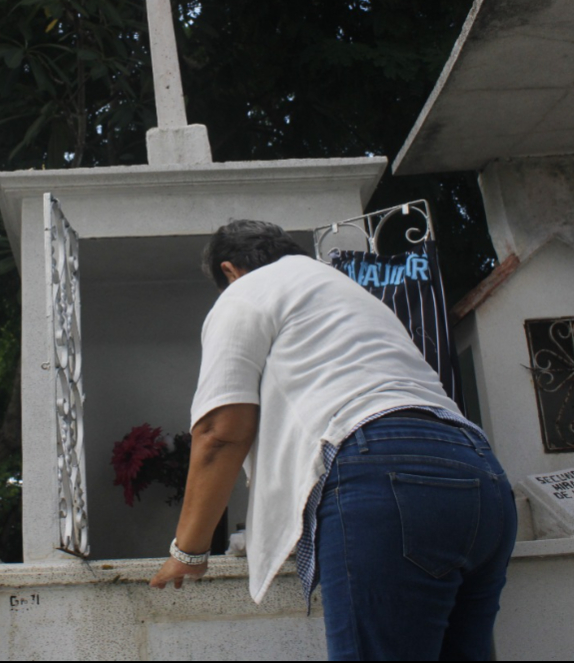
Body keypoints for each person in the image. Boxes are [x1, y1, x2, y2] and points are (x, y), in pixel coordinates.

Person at [149, 220, 517, 661]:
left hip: (384, 474)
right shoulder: (354, 295)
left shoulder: (247, 292)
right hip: (482, 475)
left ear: (230, 271)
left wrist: (188, 551)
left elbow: (219, 433)